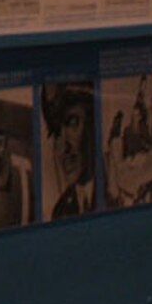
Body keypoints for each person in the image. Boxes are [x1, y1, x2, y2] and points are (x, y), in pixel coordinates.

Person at [43, 83, 95, 219]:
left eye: (72, 123)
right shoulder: (60, 212)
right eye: (56, 134)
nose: (63, 148)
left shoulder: (118, 190)